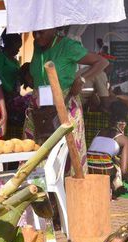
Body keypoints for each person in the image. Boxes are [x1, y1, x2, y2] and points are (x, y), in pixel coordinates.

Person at [24, 27, 108, 168]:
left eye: (41, 32)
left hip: (65, 104)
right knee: (34, 149)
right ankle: (38, 186)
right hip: (39, 106)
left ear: (53, 29)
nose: (37, 37)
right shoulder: (37, 45)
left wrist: (81, 79)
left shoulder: (68, 46)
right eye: (34, 32)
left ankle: (69, 187)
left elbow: (102, 62)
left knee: (69, 151)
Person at [86, 101, 128, 195]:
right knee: (116, 166)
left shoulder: (100, 132)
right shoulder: (124, 140)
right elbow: (124, 171)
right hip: (105, 175)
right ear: (123, 124)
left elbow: (96, 153)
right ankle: (112, 189)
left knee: (112, 159)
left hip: (88, 170)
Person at [0, 31, 22, 96]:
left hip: (14, 94)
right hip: (1, 94)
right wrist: (10, 90)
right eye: (16, 47)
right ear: (9, 44)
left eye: (19, 47)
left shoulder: (15, 61)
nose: (18, 50)